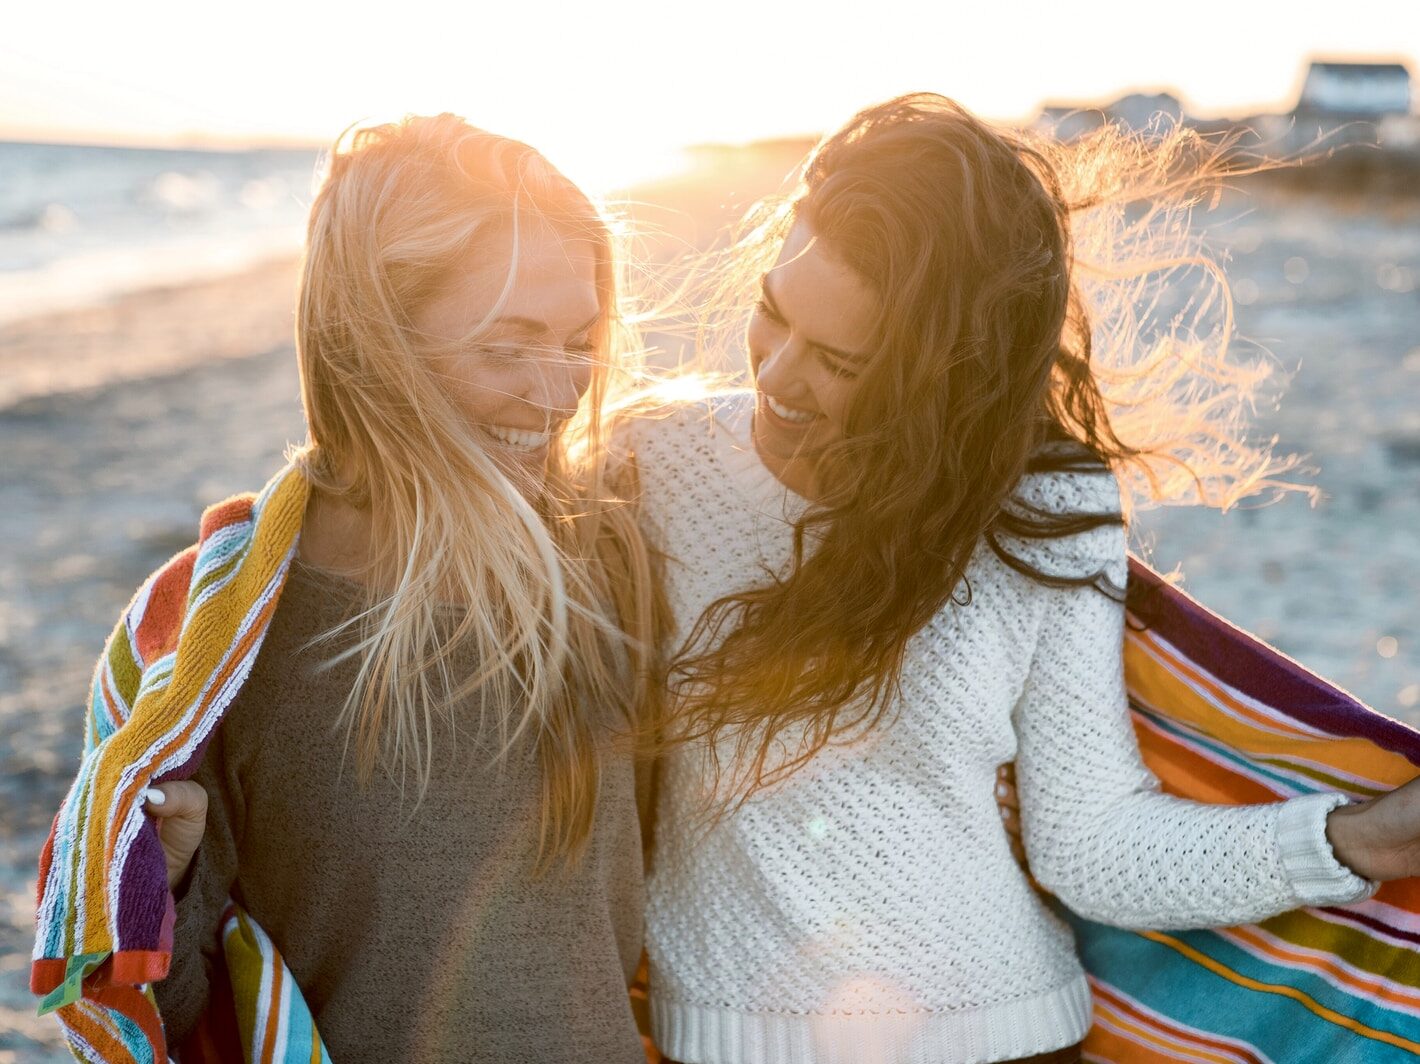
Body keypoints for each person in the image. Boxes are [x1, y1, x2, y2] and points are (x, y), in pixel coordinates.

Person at [627, 94, 1420, 1064]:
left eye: (839, 360)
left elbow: (1088, 842)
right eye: (771, 310)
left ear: (943, 375)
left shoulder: (1042, 506)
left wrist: (1362, 839)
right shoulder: (643, 466)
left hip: (1011, 1037)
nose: (777, 377)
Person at [35, 113, 661, 1063]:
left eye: (580, 341)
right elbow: (172, 1013)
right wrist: (172, 875)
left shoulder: (604, 556)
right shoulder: (225, 637)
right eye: (507, 347)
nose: (561, 390)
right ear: (369, 342)